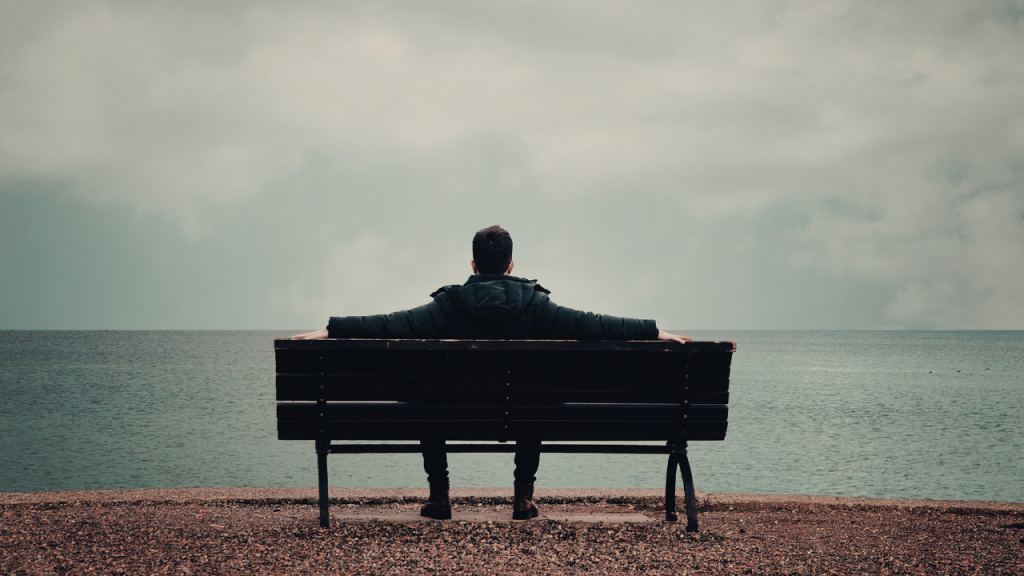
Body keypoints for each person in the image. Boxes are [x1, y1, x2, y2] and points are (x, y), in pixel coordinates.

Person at [293, 225, 691, 520]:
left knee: (425, 401)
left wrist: (331, 329)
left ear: (473, 265)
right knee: (536, 400)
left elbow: (390, 324)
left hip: (450, 413)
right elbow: (594, 324)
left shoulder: (448, 306)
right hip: (520, 413)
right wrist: (655, 332)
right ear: (511, 265)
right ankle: (523, 499)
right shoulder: (536, 305)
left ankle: (440, 497)